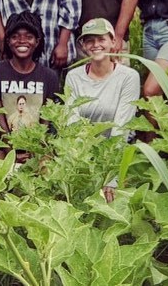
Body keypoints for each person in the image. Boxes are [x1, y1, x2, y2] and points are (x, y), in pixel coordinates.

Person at [65, 17, 140, 202]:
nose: (95, 45)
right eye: (89, 40)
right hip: (82, 156)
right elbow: (71, 122)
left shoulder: (128, 77)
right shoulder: (73, 76)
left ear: (113, 41)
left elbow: (122, 127)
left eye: (101, 39)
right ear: (83, 45)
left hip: (116, 156)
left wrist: (111, 178)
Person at [0, 10, 60, 140]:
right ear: (7, 41)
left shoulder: (49, 77)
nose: (22, 41)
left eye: (29, 37)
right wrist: (11, 151)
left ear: (37, 41)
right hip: (4, 148)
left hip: (37, 148)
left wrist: (35, 150)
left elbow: (46, 120)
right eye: (15, 37)